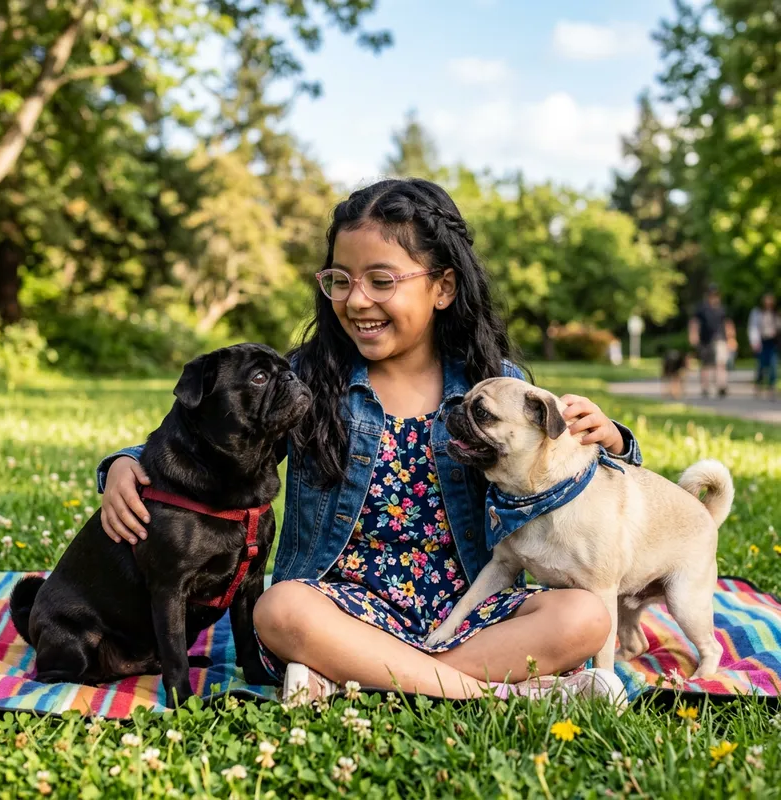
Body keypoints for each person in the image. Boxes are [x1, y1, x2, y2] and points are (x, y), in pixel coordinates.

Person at [95, 178, 643, 705]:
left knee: (586, 617)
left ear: (443, 287)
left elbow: (576, 483)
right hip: (342, 609)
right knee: (279, 610)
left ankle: (361, 677)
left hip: (472, 612)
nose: (356, 300)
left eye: (381, 281)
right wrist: (126, 463)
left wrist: (614, 442)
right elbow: (209, 433)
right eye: (340, 279)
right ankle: (493, 693)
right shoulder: (310, 381)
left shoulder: (494, 386)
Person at [688, 284, 736, 398]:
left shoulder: (722, 308)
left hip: (720, 338)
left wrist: (731, 338)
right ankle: (705, 387)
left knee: (721, 363)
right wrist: (693, 335)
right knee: (706, 364)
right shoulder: (701, 308)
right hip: (705, 340)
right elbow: (694, 322)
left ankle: (721, 386)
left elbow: (728, 324)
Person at [748, 292, 779, 400]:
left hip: (773, 343)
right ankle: (758, 385)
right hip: (762, 342)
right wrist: (754, 342)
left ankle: (771, 388)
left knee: (773, 366)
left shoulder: (775, 314)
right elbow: (753, 328)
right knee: (761, 365)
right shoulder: (757, 313)